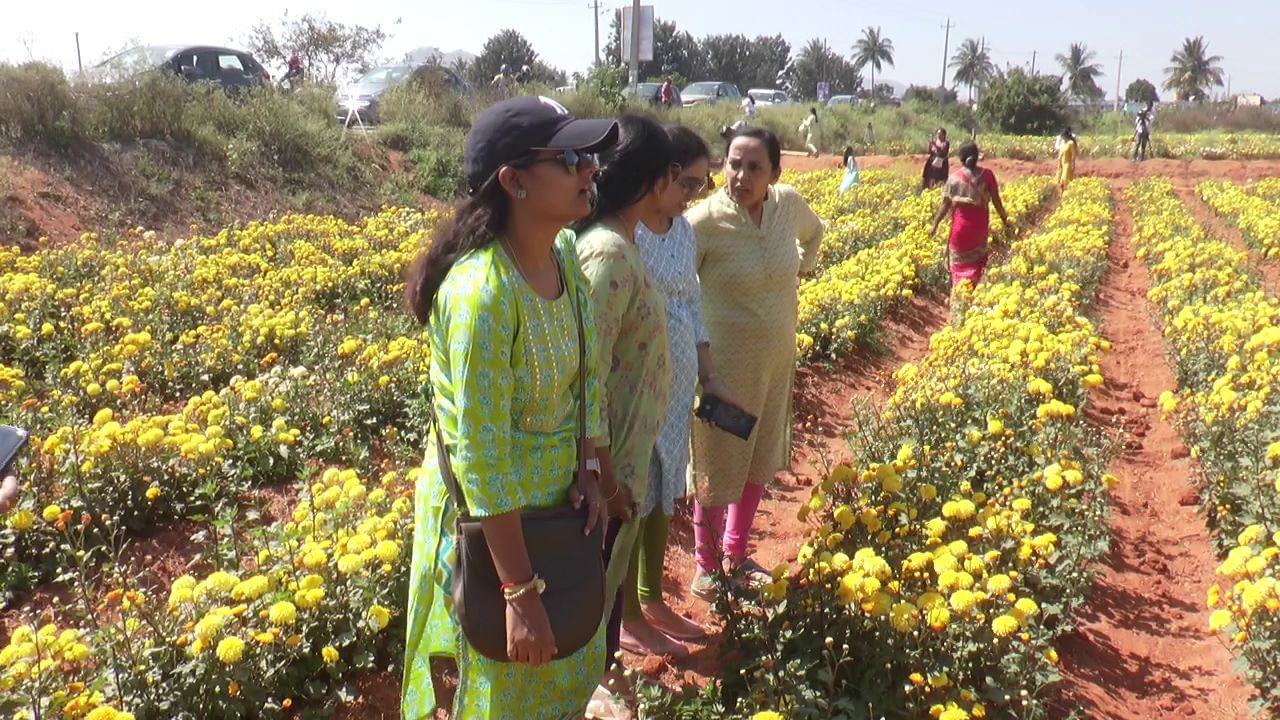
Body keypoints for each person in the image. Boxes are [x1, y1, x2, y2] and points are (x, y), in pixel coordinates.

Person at [400, 95, 619, 720]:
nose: (590, 170)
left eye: (590, 157)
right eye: (572, 157)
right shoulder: (481, 294)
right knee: (497, 689)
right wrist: (519, 592)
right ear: (515, 181)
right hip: (494, 534)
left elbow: (586, 380)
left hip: (554, 513)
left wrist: (589, 472)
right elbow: (482, 454)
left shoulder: (565, 261)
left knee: (562, 676)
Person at [686, 128, 824, 600]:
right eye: (733, 164)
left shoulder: (787, 207)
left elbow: (816, 231)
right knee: (715, 463)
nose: (741, 176)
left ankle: (736, 554)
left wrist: (804, 265)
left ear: (775, 173)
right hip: (721, 372)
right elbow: (679, 289)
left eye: (754, 167)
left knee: (756, 460)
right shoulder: (703, 221)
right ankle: (705, 566)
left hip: (774, 363)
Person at [571, 115, 673, 705]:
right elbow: (591, 379)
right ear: (654, 180)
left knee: (605, 594)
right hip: (607, 477)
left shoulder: (625, 243)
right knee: (592, 598)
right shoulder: (606, 252)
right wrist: (605, 480)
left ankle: (599, 685)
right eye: (677, 179)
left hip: (624, 469)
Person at [620, 126, 725, 657]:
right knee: (636, 492)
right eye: (685, 183)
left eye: (700, 187)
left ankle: (651, 597)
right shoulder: (629, 232)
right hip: (639, 384)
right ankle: (628, 614)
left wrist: (708, 370)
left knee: (665, 485)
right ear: (658, 177)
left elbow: (694, 299)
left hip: (678, 380)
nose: (690, 196)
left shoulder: (682, 232)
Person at [928, 141, 1011, 289]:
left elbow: (944, 206)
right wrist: (1005, 221)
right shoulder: (988, 176)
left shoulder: (953, 179)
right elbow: (997, 202)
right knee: (977, 268)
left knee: (958, 269)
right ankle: (972, 301)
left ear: (960, 158)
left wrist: (934, 225)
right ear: (977, 156)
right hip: (979, 230)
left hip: (960, 231)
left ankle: (959, 298)